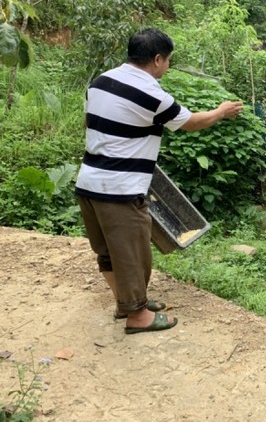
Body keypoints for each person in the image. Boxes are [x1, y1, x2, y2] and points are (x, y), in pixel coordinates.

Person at [75, 28, 243, 334]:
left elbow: (91, 122)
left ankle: (125, 304)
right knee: (133, 254)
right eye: (168, 60)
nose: (167, 66)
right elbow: (191, 123)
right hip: (120, 189)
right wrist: (221, 111)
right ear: (157, 59)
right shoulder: (149, 92)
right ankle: (137, 316)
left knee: (109, 252)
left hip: (88, 182)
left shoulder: (100, 82)